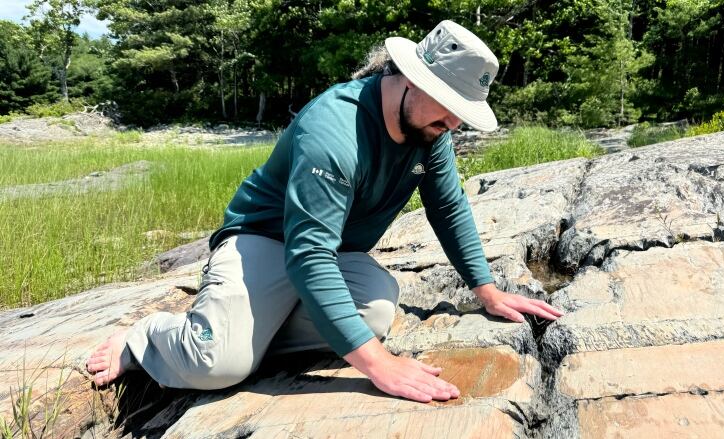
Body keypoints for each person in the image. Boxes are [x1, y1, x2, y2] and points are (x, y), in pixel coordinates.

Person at [87, 20, 563, 403]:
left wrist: (487, 291)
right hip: (265, 241)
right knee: (218, 365)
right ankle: (146, 340)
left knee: (376, 311)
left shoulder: (429, 130)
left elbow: (448, 205)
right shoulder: (334, 132)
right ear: (410, 79)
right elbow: (308, 254)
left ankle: (250, 334)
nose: (454, 123)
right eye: (448, 106)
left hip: (333, 252)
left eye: (463, 112)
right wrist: (380, 367)